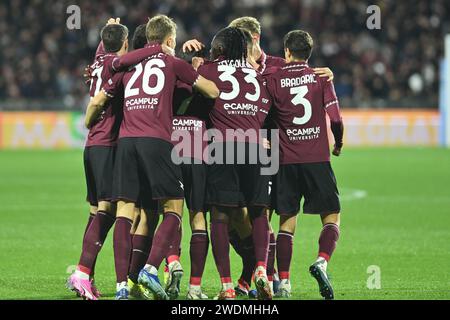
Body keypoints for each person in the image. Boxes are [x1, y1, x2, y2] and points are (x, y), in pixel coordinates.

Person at [88, 14, 219, 300]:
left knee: (125, 209)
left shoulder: (129, 66)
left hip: (125, 142)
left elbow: (106, 80)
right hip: (156, 140)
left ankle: (122, 286)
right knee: (173, 206)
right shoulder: (173, 63)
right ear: (170, 40)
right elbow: (212, 90)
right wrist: (196, 70)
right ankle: (150, 268)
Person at [266, 30, 344, 299]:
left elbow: (265, 116)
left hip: (285, 161)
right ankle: (322, 261)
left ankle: (284, 284)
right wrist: (339, 143)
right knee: (331, 216)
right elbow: (335, 118)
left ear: (287, 51)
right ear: (309, 52)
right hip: (317, 160)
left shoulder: (273, 79)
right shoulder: (322, 77)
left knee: (286, 222)